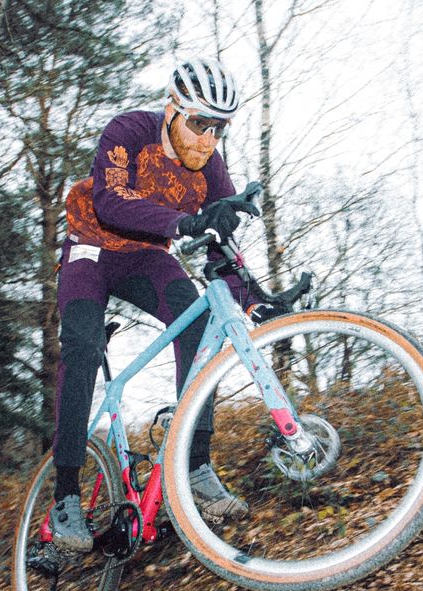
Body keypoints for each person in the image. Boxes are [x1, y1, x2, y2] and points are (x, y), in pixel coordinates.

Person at [48, 58, 263, 552]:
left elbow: (220, 244)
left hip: (145, 258)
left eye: (220, 128)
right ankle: (65, 494)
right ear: (172, 111)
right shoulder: (129, 130)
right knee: (81, 344)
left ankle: (196, 466)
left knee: (203, 324)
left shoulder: (210, 165)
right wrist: (182, 223)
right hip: (92, 249)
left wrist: (255, 301)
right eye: (199, 123)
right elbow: (112, 201)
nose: (208, 139)